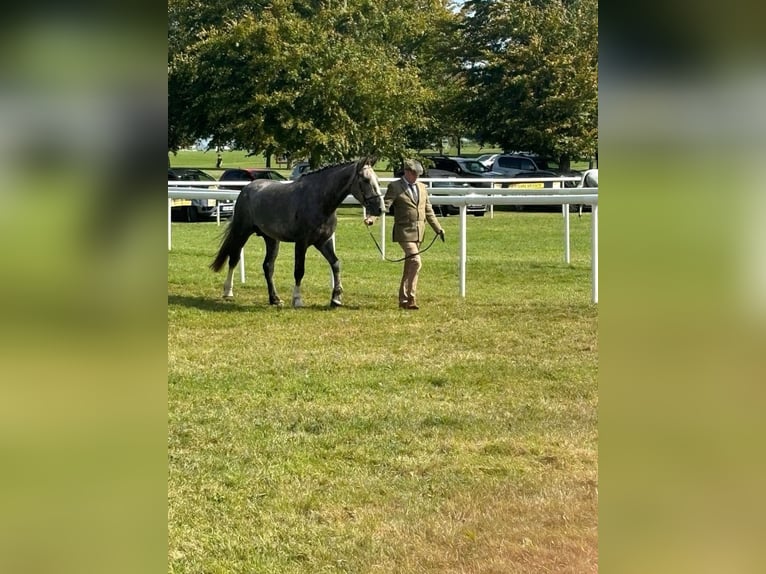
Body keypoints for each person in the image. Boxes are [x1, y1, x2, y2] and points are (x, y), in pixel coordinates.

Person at [364, 159, 445, 310]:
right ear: (407, 172)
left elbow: (428, 210)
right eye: (414, 173)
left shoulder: (422, 187)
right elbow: (385, 205)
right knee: (416, 261)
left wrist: (438, 228)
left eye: (418, 174)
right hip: (404, 232)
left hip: (420, 232)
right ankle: (411, 298)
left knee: (409, 266)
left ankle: (403, 300)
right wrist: (372, 218)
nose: (417, 177)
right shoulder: (395, 187)